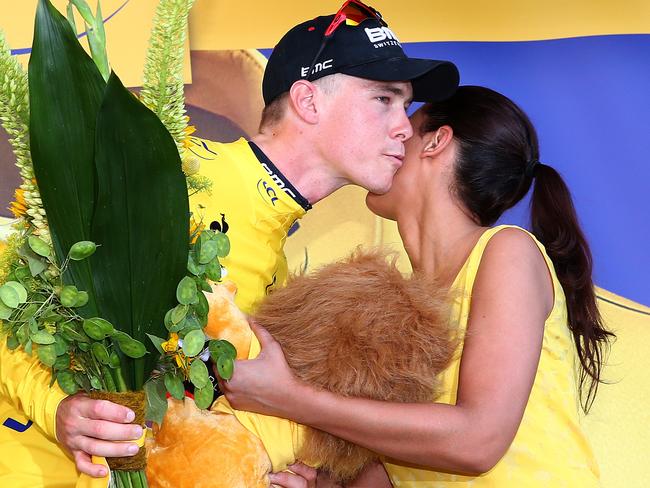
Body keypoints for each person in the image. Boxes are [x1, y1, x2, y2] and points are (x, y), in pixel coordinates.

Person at [0, 1, 459, 486]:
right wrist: (60, 411)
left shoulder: (283, 269)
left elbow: (194, 426)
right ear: (308, 101)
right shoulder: (176, 173)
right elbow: (14, 302)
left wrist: (270, 465)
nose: (405, 126)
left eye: (405, 106)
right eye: (384, 99)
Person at [219, 85, 614, 486]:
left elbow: (478, 440)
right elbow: (395, 466)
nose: (389, 137)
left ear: (436, 141)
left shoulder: (507, 250)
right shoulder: (402, 309)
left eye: (406, 124)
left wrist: (291, 398)